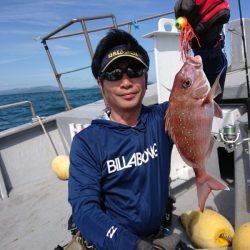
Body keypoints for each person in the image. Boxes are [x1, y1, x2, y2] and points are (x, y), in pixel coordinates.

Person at [68, 1, 230, 249]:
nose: (126, 81)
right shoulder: (87, 143)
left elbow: (207, 98)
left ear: (145, 79)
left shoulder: (161, 119)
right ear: (101, 85)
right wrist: (131, 245)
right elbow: (84, 210)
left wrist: (208, 45)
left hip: (161, 230)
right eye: (113, 74)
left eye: (134, 70)